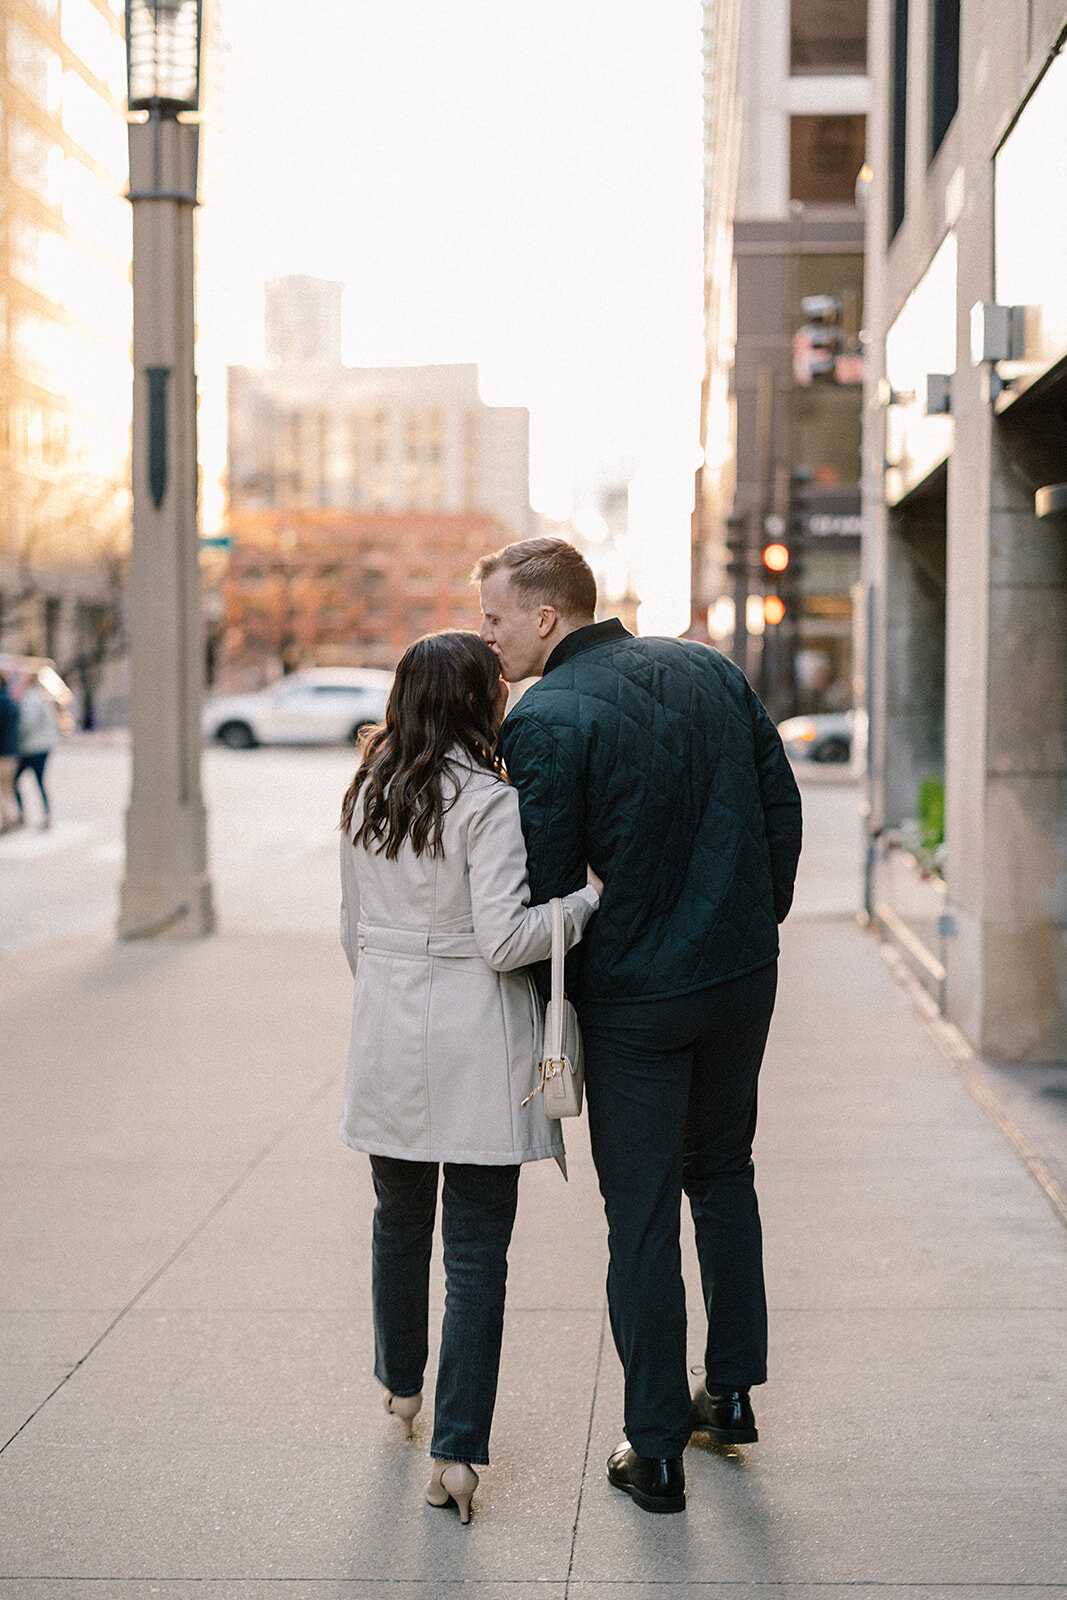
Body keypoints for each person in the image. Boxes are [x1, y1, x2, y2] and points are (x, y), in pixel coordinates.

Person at [474, 536, 802, 1515]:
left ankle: (654, 1448)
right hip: (741, 977)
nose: (483, 636)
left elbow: (541, 884)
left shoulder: (543, 717)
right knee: (724, 1171)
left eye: (492, 616)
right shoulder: (707, 667)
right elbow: (777, 802)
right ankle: (731, 1392)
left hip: (633, 1006)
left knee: (644, 1214)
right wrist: (753, 914)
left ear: (545, 616)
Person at [338, 629, 600, 1524]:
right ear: (476, 702)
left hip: (386, 1038)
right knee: (476, 1256)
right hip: (475, 1047)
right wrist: (583, 901)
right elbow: (503, 939)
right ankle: (455, 1453)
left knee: (397, 1225)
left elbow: (352, 936)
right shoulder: (487, 802)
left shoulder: (366, 793)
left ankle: (400, 1386)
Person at [15, 674, 60, 830]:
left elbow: (27, 724)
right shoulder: (39, 696)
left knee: (21, 780)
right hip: (39, 747)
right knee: (38, 782)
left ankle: (23, 814)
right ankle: (41, 814)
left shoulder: (31, 699)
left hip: (32, 749)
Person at [0, 674, 21, 834]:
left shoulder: (2, 703)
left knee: (4, 788)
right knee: (8, 787)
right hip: (13, 751)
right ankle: (15, 815)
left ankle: (9, 819)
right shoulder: (12, 702)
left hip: (4, 753)